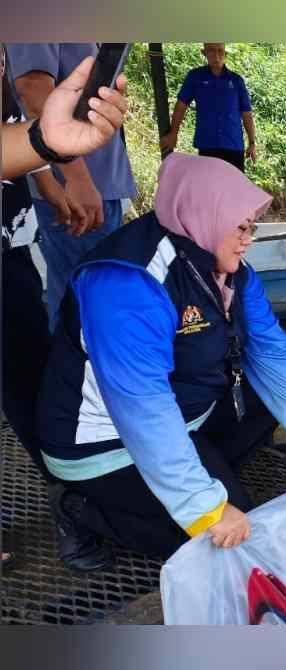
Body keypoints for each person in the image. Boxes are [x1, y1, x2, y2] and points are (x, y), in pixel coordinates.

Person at [35, 153, 286, 564]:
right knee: (215, 547)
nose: (248, 239)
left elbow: (272, 351)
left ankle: (199, 475)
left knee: (260, 401)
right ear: (203, 214)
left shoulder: (228, 268)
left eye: (251, 227)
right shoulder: (126, 282)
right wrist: (204, 506)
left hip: (186, 415)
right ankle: (79, 509)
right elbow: (142, 404)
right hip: (104, 442)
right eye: (240, 227)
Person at [1, 51, 130, 572]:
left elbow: (17, 123)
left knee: (28, 369)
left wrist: (43, 145)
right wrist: (69, 172)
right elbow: (33, 86)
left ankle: (73, 492)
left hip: (8, 233)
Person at [6, 43, 139, 331]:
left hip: (100, 184)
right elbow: (32, 88)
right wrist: (76, 177)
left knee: (92, 297)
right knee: (83, 305)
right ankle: (73, 374)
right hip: (76, 190)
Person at [159, 43, 257, 172]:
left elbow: (247, 114)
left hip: (234, 147)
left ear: (225, 54)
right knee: (208, 190)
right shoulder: (195, 77)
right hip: (207, 147)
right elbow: (181, 106)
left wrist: (252, 143)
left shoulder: (236, 81)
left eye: (220, 51)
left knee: (233, 190)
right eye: (211, 50)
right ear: (204, 52)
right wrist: (173, 133)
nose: (216, 55)